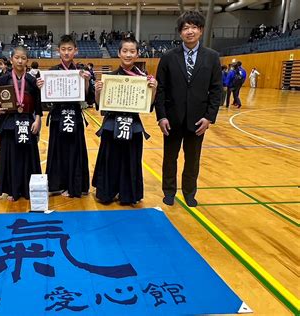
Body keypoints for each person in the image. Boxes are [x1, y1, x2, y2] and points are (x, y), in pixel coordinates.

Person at [153, 11, 222, 207]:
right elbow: (161, 89)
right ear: (180, 32)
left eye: (194, 27)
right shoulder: (168, 57)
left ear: (200, 30)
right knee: (169, 158)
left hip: (198, 120)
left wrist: (209, 118)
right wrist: (161, 117)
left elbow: (216, 90)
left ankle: (190, 192)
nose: (189, 31)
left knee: (193, 160)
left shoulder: (212, 57)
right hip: (172, 119)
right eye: (185, 28)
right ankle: (168, 191)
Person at [93, 37, 157, 205]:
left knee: (131, 160)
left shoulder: (144, 79)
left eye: (132, 51)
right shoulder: (110, 77)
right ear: (119, 53)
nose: (128, 54)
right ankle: (107, 193)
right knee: (110, 159)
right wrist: (98, 92)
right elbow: (100, 106)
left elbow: (149, 107)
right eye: (125, 51)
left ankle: (128, 194)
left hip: (133, 125)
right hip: (111, 124)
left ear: (137, 54)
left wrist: (154, 90)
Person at [36, 35, 94, 198]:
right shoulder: (52, 72)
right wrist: (40, 88)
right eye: (63, 49)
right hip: (57, 117)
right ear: (58, 51)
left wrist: (87, 82)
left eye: (70, 49)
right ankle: (57, 185)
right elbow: (44, 101)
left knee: (75, 151)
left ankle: (75, 186)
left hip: (74, 116)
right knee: (58, 150)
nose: (66, 52)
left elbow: (89, 100)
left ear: (76, 50)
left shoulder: (82, 71)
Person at [0, 46, 42, 201]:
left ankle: (29, 189)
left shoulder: (33, 81)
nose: (20, 61)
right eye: (17, 58)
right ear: (11, 59)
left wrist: (38, 120)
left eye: (23, 58)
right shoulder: (3, 79)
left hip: (28, 121)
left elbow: (39, 105)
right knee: (11, 157)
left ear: (27, 60)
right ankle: (12, 189)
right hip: (9, 123)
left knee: (28, 156)